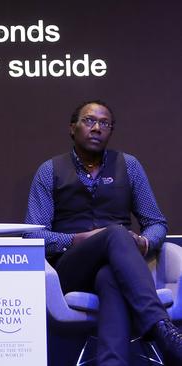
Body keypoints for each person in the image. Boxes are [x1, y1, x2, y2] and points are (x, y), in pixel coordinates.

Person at [24, 100, 182, 364]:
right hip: (70, 269)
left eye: (104, 123)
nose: (97, 128)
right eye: (89, 121)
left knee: (109, 275)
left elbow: (156, 222)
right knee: (115, 233)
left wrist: (144, 242)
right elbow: (33, 235)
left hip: (119, 267)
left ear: (110, 131)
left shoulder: (129, 166)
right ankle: (160, 328)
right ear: (72, 128)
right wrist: (78, 239)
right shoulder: (49, 171)